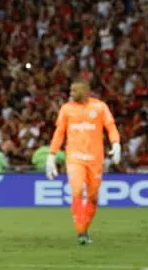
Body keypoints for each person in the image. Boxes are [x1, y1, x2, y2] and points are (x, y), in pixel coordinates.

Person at [46, 79, 120, 245]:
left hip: (95, 158)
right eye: (70, 91)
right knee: (77, 190)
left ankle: (84, 229)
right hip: (74, 157)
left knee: (93, 197)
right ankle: (80, 232)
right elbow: (59, 133)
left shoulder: (100, 107)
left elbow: (111, 126)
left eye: (74, 91)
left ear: (86, 91)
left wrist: (116, 143)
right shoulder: (66, 109)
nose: (71, 94)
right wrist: (52, 154)